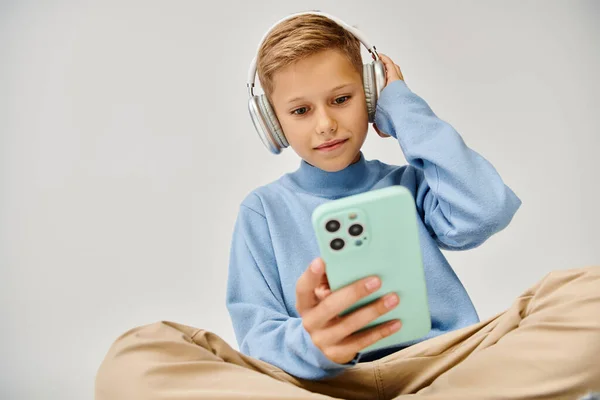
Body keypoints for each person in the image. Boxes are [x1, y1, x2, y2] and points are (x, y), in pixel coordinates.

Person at [95, 11, 600, 400]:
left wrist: (403, 107)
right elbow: (259, 336)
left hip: (446, 368)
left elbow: (486, 209)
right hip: (320, 384)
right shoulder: (262, 211)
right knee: (136, 355)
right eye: (299, 110)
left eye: (342, 99)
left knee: (590, 293)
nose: (325, 125)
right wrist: (316, 344)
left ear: (370, 97)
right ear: (273, 126)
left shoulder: (411, 184)